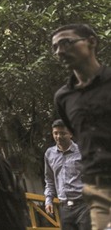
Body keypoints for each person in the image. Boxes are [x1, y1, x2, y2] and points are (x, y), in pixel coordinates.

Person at [52, 23, 111, 230]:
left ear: (91, 42)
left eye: (66, 43)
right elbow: (78, 134)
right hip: (98, 186)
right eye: (55, 47)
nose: (60, 51)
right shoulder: (63, 97)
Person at [44, 119, 91, 230]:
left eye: (62, 133)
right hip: (64, 207)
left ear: (70, 134)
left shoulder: (82, 151)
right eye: (55, 133)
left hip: (84, 205)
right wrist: (48, 200)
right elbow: (49, 179)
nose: (59, 136)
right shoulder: (49, 154)